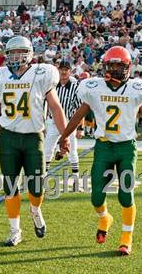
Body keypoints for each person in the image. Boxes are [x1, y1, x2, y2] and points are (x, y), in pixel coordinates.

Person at [59, 46, 142, 256]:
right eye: (112, 65)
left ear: (128, 67)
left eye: (120, 65)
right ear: (105, 66)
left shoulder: (137, 89)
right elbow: (79, 114)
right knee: (96, 197)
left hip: (126, 147)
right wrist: (64, 136)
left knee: (125, 194)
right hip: (104, 146)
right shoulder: (95, 88)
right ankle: (105, 218)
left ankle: (126, 238)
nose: (116, 69)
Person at [0, 36, 68, 246]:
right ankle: (15, 230)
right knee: (10, 186)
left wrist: (64, 136)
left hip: (33, 137)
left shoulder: (42, 74)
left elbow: (56, 107)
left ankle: (35, 210)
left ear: (30, 53)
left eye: (20, 51)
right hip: (9, 138)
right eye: (12, 52)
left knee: (36, 186)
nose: (16, 56)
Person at [44, 60, 82, 191]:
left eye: (66, 69)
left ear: (70, 71)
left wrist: (80, 128)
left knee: (72, 151)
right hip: (53, 122)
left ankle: (76, 180)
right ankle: (43, 178)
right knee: (47, 150)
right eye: (62, 69)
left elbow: (80, 108)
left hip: (69, 123)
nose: (64, 72)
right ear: (58, 70)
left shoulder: (75, 86)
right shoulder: (53, 84)